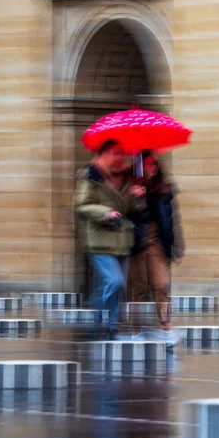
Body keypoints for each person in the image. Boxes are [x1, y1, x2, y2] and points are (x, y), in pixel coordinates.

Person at [75, 139, 145, 340]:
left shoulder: (125, 178)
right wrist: (105, 213)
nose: (120, 157)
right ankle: (99, 317)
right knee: (114, 281)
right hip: (100, 241)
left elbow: (132, 210)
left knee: (116, 285)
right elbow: (83, 205)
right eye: (115, 153)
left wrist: (137, 197)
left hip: (122, 241)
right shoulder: (91, 175)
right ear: (103, 153)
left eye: (121, 153)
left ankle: (111, 328)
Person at [129, 150, 185, 346]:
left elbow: (172, 219)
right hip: (137, 244)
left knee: (161, 286)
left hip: (157, 243)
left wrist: (178, 247)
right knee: (139, 289)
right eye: (147, 164)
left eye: (153, 164)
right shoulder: (131, 185)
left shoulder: (164, 188)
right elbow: (123, 212)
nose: (151, 168)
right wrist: (134, 198)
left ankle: (166, 327)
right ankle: (136, 329)